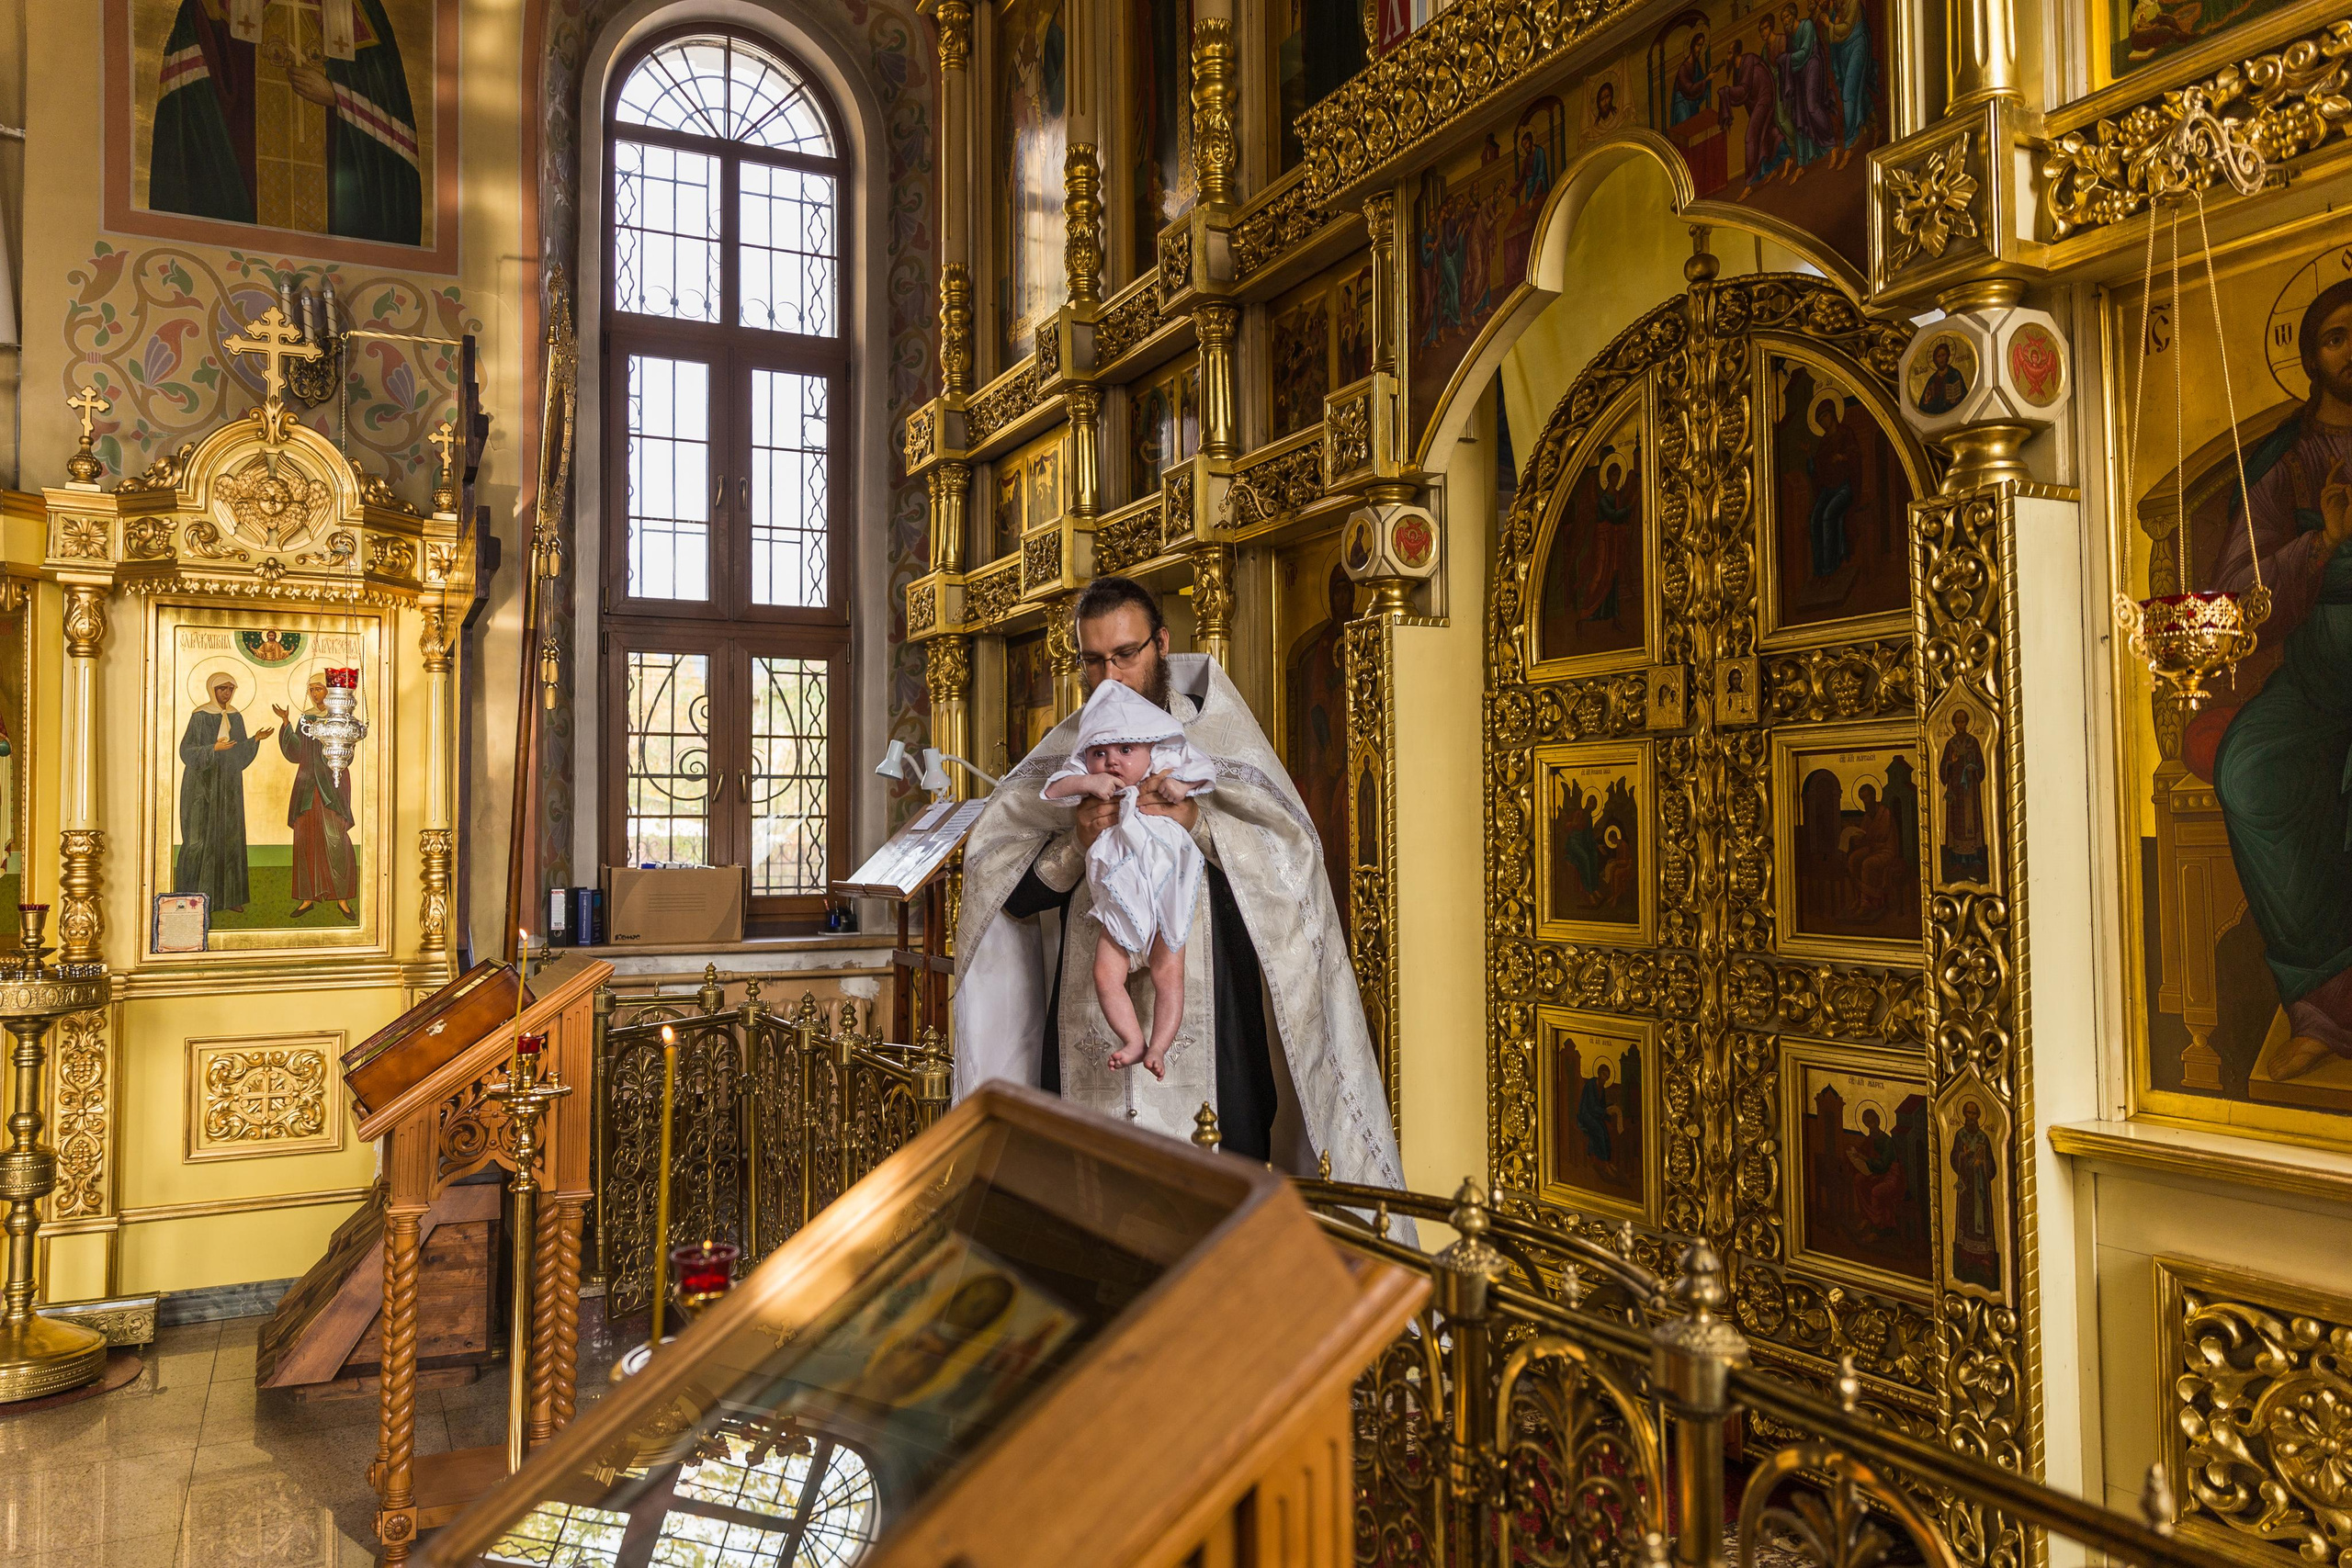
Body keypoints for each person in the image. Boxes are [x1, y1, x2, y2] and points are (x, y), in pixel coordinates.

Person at [955, 575, 1406, 1193]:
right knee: (1093, 1201)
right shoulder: (1069, 754)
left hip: (1216, 1027)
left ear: (1162, 644)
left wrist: (1195, 822)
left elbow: (1290, 866)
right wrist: (1075, 847)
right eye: (1093, 660)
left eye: (1126, 654)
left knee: (1221, 1203)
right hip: (1088, 1033)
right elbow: (1004, 894)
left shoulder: (1218, 741)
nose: (1110, 677)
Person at [2208, 278, 2352, 1082]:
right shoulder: (2285, 464)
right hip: (2317, 675)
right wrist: (2322, 545)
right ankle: (2326, 1008)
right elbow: (2236, 594)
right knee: (2249, 771)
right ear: (2311, 359)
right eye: (2336, 337)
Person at [1041, 680, 1216, 1080]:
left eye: (1125, 750)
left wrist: (1181, 786)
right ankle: (1134, 1039)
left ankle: (1159, 1045)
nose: (1112, 761)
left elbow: (1206, 772)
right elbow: (1052, 788)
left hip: (1165, 893)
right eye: (1100, 753)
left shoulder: (1165, 760)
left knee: (1169, 974)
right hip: (1121, 901)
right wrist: (1089, 782)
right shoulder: (1093, 778)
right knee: (1106, 975)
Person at [148, 0, 423, 245]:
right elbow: (194, 107)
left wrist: (337, 95)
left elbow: (392, 122)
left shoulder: (359, 8)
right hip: (246, 190)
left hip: (334, 193)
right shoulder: (213, 5)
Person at [175, 672, 274, 913]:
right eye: (222, 689)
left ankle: (230, 898)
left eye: (230, 689)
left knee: (230, 839)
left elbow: (238, 753)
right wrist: (213, 748)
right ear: (212, 690)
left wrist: (255, 740)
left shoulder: (235, 716)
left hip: (229, 784)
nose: (226, 694)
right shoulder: (199, 716)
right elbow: (187, 751)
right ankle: (192, 899)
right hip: (202, 785)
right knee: (198, 841)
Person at [274, 672, 358, 919]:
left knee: (336, 840)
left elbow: (348, 752)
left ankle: (342, 898)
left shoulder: (340, 718)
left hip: (332, 786)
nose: (314, 693)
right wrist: (286, 724)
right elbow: (295, 753)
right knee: (305, 840)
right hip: (307, 787)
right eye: (311, 689)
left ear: (329, 692)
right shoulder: (306, 719)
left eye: (319, 689)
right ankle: (307, 898)